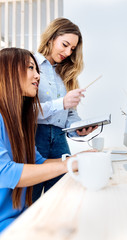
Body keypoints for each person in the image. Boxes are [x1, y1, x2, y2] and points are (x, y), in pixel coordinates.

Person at [0, 47, 91, 233]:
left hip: (24, 216)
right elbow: (5, 173)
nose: (37, 76)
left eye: (37, 70)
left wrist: (82, 158)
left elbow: (38, 162)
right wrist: (72, 163)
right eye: (30, 68)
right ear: (8, 71)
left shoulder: (20, 123)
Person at [32, 18, 97, 202]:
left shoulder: (66, 74)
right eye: (65, 45)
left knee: (64, 196)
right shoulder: (31, 65)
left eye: (72, 49)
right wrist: (62, 102)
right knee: (31, 200)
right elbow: (25, 111)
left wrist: (78, 129)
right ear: (52, 37)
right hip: (36, 137)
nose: (68, 52)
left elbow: (70, 115)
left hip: (60, 139)